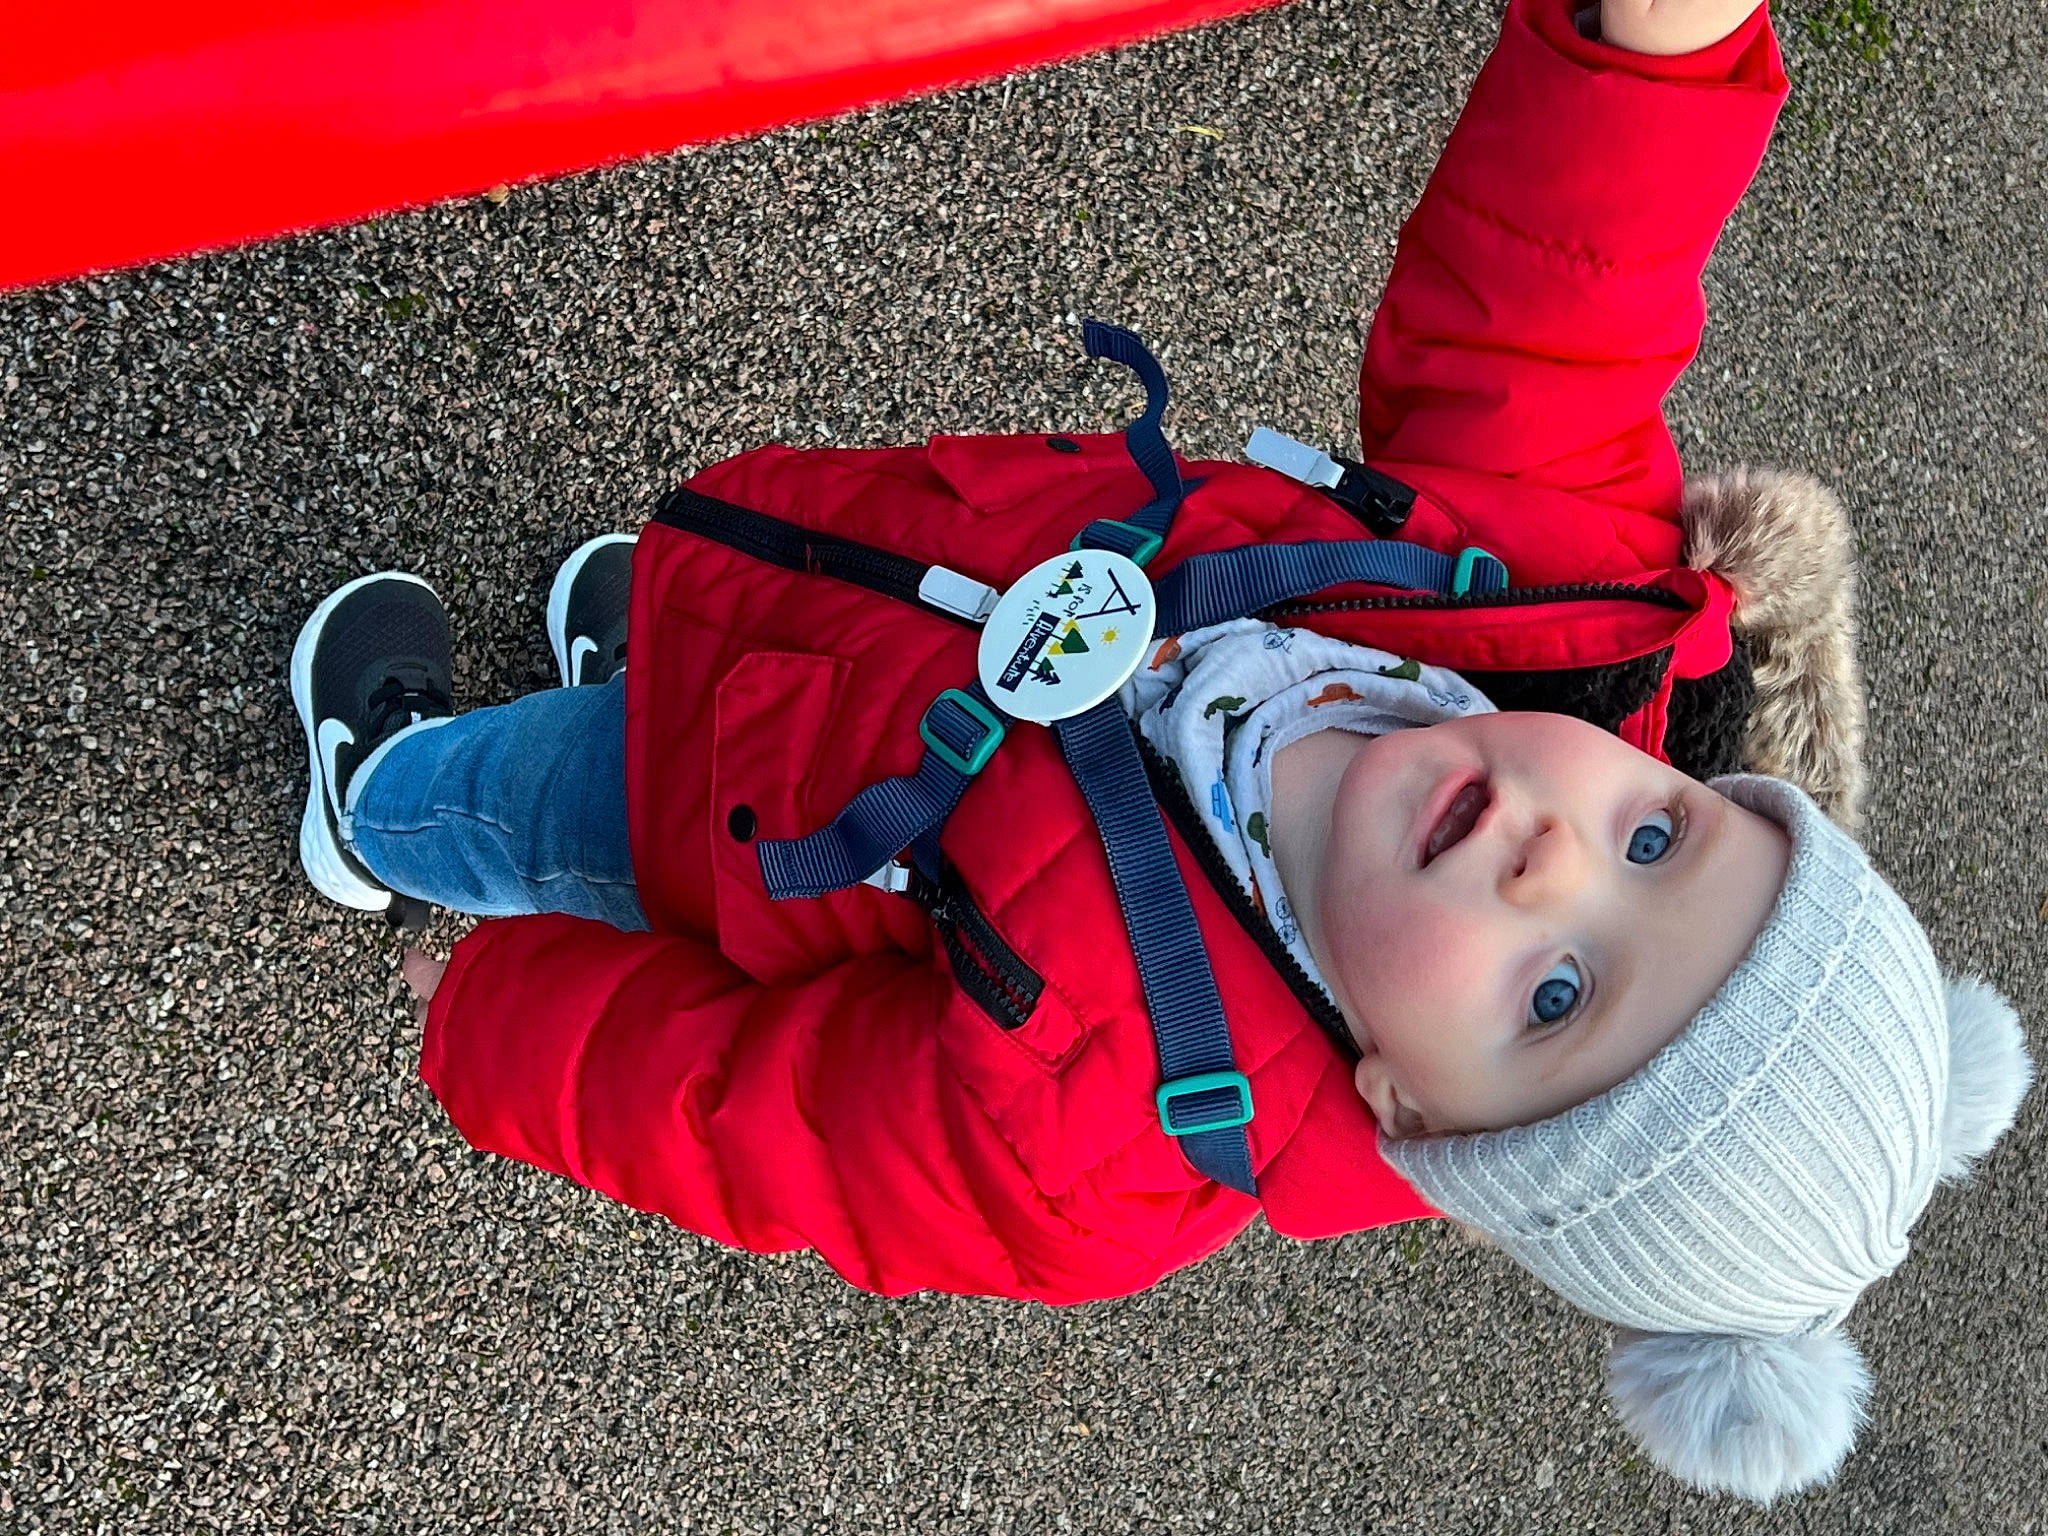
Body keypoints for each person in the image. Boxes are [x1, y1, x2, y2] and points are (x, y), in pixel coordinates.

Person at [288, 0, 2032, 1504]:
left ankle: (380, 803)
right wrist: (1655, 52)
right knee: (660, 648)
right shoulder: (1552, 611)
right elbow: (1557, 303)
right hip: (808, 601)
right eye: (1659, 843)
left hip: (719, 834)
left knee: (524, 802)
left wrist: (504, 1027)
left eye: (1559, 998)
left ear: (1416, 1118)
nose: (1553, 858)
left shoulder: (1109, 1150)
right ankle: (650, 647)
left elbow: (767, 1125)